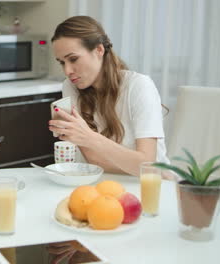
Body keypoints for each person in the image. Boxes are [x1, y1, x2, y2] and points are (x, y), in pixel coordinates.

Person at [49, 16, 169, 177]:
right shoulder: (71, 85)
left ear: (99, 50)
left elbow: (147, 167)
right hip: (101, 183)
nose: (67, 71)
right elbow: (93, 161)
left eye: (73, 59)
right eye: (62, 62)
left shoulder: (138, 86)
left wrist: (89, 137)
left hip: (147, 187)